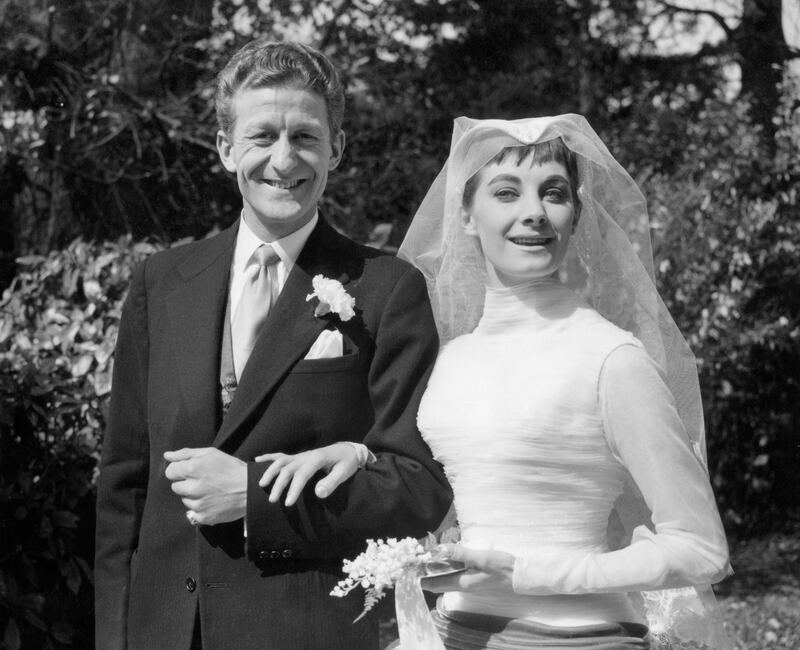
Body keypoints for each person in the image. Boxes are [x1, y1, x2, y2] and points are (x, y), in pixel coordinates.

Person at [93, 40, 451, 650]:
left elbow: (417, 486)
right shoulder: (161, 282)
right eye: (262, 136)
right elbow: (123, 487)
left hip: (305, 630)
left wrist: (257, 499)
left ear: (335, 149)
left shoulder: (389, 289)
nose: (284, 160)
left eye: (305, 137)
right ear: (225, 147)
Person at [394, 114, 733, 649]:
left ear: (574, 213)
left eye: (552, 193)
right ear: (465, 215)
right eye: (507, 193)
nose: (534, 213)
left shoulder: (612, 358)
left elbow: (702, 550)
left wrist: (536, 573)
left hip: (582, 639)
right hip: (456, 634)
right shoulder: (450, 361)